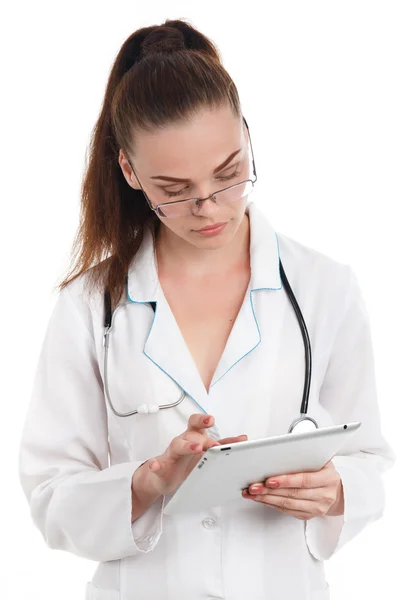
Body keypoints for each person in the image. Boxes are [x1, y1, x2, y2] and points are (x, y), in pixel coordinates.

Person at [18, 18, 396, 600]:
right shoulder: (91, 307)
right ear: (129, 173)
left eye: (228, 174)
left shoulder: (325, 289)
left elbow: (368, 458)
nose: (209, 206)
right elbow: (49, 495)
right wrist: (145, 484)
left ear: (246, 135)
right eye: (174, 189)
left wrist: (336, 490)